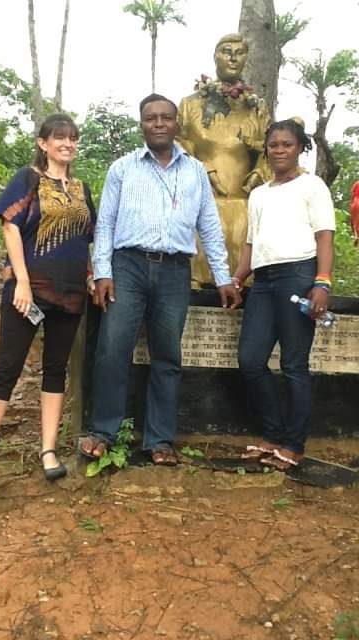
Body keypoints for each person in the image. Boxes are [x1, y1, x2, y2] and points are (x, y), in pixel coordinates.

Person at [79, 93, 241, 466]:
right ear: (142, 125)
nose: (158, 124)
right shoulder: (123, 168)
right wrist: (102, 271)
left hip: (174, 270)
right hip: (128, 267)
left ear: (176, 124)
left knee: (167, 356)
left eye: (165, 117)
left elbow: (210, 228)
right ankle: (103, 432)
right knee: (113, 349)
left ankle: (159, 441)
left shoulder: (196, 171)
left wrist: (223, 277)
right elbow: (105, 224)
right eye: (151, 118)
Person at [0, 113, 96, 493]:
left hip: (70, 294)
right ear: (43, 143)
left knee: (55, 370)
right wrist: (20, 280)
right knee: (7, 368)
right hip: (28, 289)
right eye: (60, 138)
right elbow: (10, 227)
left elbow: (85, 239)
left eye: (73, 138)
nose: (68, 144)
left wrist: (89, 276)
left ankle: (49, 451)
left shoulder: (82, 189)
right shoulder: (28, 179)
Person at [233, 119, 336, 471]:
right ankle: (272, 436)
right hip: (262, 282)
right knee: (250, 359)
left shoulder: (313, 186)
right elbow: (251, 244)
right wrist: (236, 280)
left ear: (300, 147)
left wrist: (322, 282)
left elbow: (324, 236)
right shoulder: (259, 193)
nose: (279, 150)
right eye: (273, 144)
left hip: (298, 275)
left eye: (287, 144)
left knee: (294, 365)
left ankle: (293, 445)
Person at [177, 33, 271, 285]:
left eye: (239, 52)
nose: (232, 57)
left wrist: (258, 174)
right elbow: (178, 143)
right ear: (214, 56)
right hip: (201, 201)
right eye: (226, 51)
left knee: (243, 274)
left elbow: (271, 150)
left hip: (242, 201)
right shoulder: (190, 105)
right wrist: (201, 168)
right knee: (197, 273)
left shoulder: (257, 107)